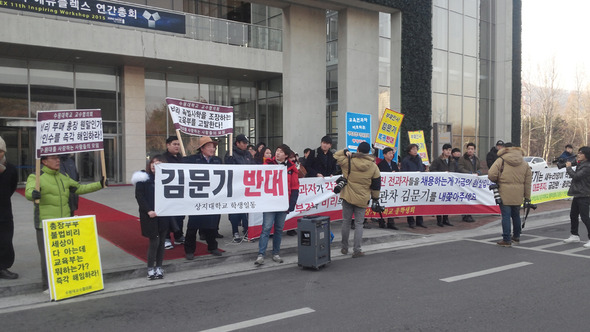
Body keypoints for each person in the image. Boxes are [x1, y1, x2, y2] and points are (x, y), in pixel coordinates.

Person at [25, 155, 106, 290]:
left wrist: (100, 184)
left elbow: (79, 188)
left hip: (64, 223)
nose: (58, 161)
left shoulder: (63, 176)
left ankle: (64, 284)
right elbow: (29, 191)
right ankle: (47, 286)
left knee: (64, 256)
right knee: (47, 257)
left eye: (58, 158)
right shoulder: (36, 177)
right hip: (45, 224)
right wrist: (33, 194)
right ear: (44, 161)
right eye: (54, 158)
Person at [334, 142, 381, 258]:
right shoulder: (374, 166)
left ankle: (344, 247)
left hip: (347, 196)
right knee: (359, 224)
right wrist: (375, 198)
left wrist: (345, 151)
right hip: (363, 198)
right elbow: (376, 185)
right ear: (368, 152)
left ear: (358, 150)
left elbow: (335, 155)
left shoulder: (348, 161)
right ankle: (357, 250)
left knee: (346, 222)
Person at [255, 144, 299, 265]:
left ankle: (276, 253)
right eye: (277, 150)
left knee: (279, 229)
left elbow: (295, 187)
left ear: (286, 155)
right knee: (266, 228)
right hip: (270, 202)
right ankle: (261, 254)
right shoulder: (268, 165)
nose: (278, 153)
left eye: (281, 151)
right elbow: (260, 180)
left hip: (283, 203)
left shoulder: (291, 168)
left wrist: (291, 204)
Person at [183, 136, 223, 259]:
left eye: (214, 146)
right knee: (193, 226)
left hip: (212, 197)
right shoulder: (192, 160)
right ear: (202, 148)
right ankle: (189, 250)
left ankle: (212, 247)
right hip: (197, 197)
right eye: (210, 146)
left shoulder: (217, 160)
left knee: (211, 224)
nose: (213, 149)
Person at [132, 155, 171, 279]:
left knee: (162, 243)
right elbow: (140, 196)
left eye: (158, 163)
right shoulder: (143, 178)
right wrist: (149, 210)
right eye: (153, 163)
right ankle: (150, 268)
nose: (154, 165)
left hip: (163, 215)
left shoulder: (167, 178)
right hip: (149, 215)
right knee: (154, 242)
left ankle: (159, 267)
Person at [487, 143, 532, 247]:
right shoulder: (524, 163)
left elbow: (491, 174)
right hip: (518, 193)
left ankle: (506, 239)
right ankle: (516, 236)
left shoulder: (501, 160)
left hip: (504, 191)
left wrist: (498, 179)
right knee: (516, 215)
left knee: (506, 216)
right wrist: (527, 197)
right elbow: (528, 182)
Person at [225, 134, 255, 242]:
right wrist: (230, 160)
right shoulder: (230, 153)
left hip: (246, 186)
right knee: (235, 210)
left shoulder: (247, 154)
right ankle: (235, 232)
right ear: (237, 143)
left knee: (247, 210)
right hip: (235, 187)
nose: (245, 145)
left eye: (246, 143)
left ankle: (247, 230)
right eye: (243, 143)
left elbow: (253, 166)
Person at [562, 146, 590, 247]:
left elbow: (576, 176)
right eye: (578, 153)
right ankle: (574, 235)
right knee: (573, 215)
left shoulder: (587, 166)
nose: (578, 154)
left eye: (581, 153)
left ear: (586, 155)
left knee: (585, 217)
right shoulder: (581, 163)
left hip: (584, 194)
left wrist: (568, 167)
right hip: (578, 193)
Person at [0, 136, 19, 279]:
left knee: (5, 240)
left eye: (0, 151)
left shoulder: (11, 169)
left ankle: (3, 267)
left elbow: (12, 186)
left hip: (4, 211)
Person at [162, 135, 185, 249]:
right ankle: (166, 238)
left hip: (180, 192)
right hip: (167, 193)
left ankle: (178, 235)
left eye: (178, 144)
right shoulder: (162, 159)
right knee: (167, 216)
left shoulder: (183, 158)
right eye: (174, 144)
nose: (177, 146)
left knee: (180, 215)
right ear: (168, 145)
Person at [401, 144, 427, 228]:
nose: (415, 150)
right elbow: (403, 172)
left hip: (419, 184)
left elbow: (421, 169)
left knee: (419, 202)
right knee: (410, 203)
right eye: (413, 149)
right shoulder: (405, 160)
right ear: (409, 151)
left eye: (416, 149)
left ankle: (420, 221)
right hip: (410, 184)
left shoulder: (419, 159)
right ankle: (411, 221)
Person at [429, 143, 454, 227]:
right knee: (440, 202)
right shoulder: (437, 160)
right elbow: (432, 170)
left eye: (450, 150)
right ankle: (439, 220)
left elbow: (456, 170)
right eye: (447, 150)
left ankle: (446, 219)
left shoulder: (452, 161)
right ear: (443, 151)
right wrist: (442, 174)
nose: (448, 152)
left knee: (447, 202)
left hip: (449, 185)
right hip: (440, 184)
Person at [458, 142, 482, 222]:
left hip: (473, 182)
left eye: (472, 149)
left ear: (474, 150)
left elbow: (480, 168)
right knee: (465, 198)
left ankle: (469, 214)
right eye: (469, 149)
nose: (470, 151)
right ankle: (465, 214)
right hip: (465, 181)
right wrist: (469, 173)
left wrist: (478, 172)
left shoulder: (476, 159)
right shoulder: (462, 158)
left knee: (471, 198)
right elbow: (460, 168)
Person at [377, 147, 399, 230]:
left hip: (393, 187)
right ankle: (381, 221)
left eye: (392, 153)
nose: (391, 155)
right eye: (389, 153)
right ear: (384, 155)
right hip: (383, 188)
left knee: (392, 203)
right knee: (382, 204)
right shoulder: (380, 165)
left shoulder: (394, 164)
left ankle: (391, 222)